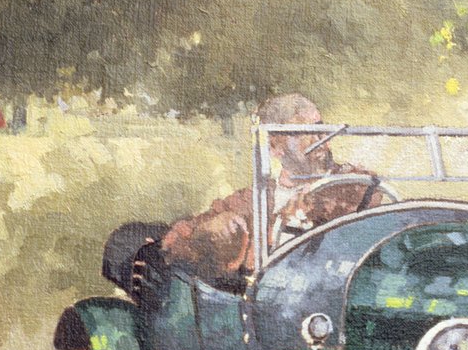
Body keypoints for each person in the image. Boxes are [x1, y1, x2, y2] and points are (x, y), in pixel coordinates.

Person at [160, 93, 385, 284]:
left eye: (321, 127)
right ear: (274, 146)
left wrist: (304, 215)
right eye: (305, 132)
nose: (321, 139)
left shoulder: (356, 186)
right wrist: (208, 232)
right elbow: (173, 244)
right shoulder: (250, 200)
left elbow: (362, 236)